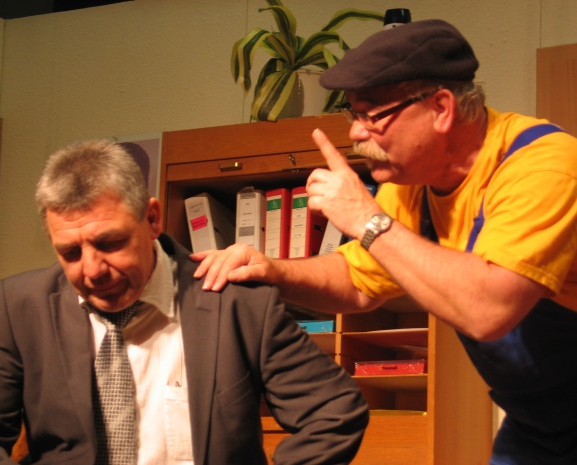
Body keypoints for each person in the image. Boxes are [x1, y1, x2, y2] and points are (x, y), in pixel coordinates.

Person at [192, 19, 577, 465]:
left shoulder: (543, 166)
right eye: (353, 115)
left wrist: (367, 219)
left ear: (441, 108)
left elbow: (489, 309)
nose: (356, 133)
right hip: (538, 423)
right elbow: (359, 280)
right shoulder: (412, 182)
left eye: (372, 115)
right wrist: (273, 270)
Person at [0, 140, 369, 464]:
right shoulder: (21, 307)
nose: (92, 270)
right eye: (70, 253)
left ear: (152, 219)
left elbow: (334, 411)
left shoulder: (236, 303)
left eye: (110, 243)